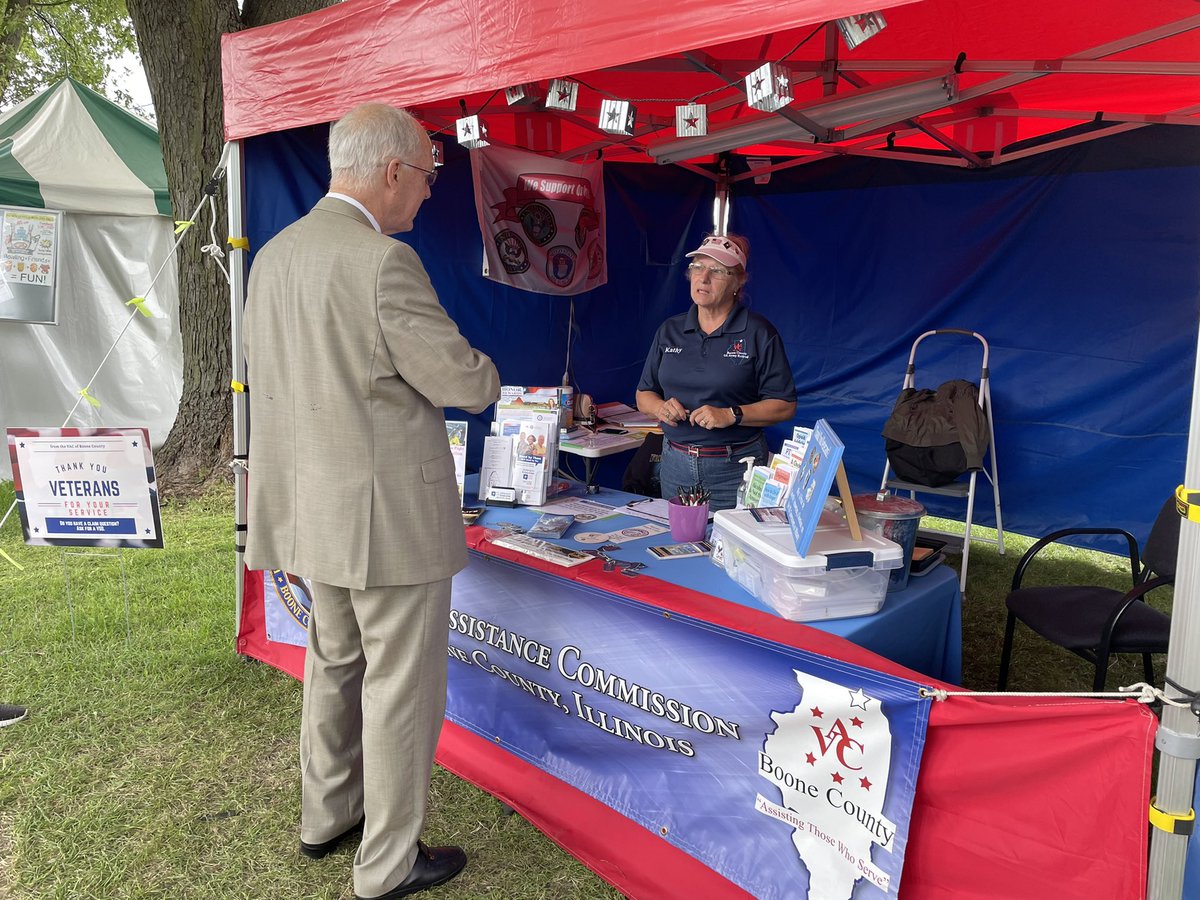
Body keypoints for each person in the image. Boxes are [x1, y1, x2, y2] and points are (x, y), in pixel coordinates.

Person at [243, 103, 500, 900]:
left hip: (310, 503)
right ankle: (387, 864)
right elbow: (464, 380)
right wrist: (487, 369)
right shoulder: (382, 262)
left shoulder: (273, 257)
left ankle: (327, 815)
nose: (426, 195)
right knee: (398, 686)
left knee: (334, 663)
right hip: (386, 517)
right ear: (393, 170)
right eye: (427, 177)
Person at [636, 233, 796, 510]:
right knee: (678, 546)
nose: (704, 277)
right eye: (698, 267)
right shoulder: (670, 330)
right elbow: (643, 395)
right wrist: (661, 408)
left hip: (735, 468)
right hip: (674, 465)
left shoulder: (758, 332)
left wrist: (730, 414)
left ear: (738, 280)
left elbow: (784, 406)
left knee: (735, 551)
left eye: (717, 271)